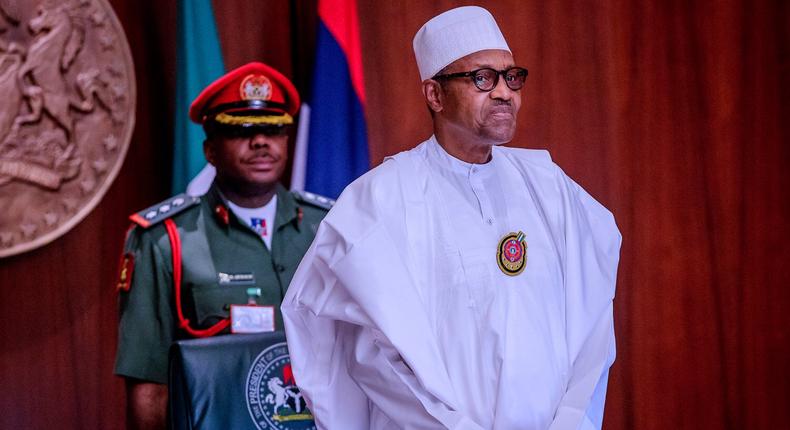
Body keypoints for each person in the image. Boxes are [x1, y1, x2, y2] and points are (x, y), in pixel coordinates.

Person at [281, 6, 621, 430]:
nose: (504, 93)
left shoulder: (550, 187)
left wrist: (571, 421)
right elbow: (368, 352)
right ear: (435, 95)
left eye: (512, 77)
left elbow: (592, 319)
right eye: (482, 78)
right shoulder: (379, 200)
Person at [113, 62, 332, 429]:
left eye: (274, 129)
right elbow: (149, 385)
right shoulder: (164, 240)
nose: (261, 141)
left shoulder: (328, 226)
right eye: (242, 130)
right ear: (210, 150)